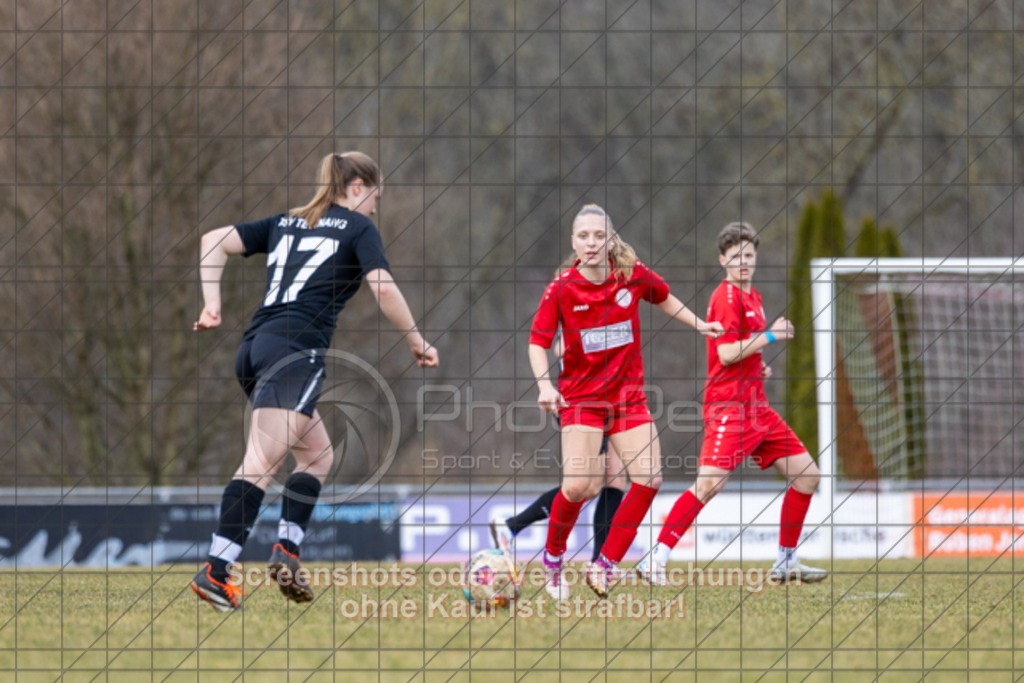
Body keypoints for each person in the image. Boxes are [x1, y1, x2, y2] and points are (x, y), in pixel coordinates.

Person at [190, 152, 439, 612]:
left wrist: (212, 304)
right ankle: (215, 572)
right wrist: (417, 341)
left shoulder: (287, 222)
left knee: (317, 454)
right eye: (376, 197)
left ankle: (286, 552)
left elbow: (212, 241)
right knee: (261, 463)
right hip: (294, 354)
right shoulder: (358, 227)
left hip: (255, 350)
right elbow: (383, 287)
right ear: (359, 186)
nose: (376, 209)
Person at [529, 204, 723, 600]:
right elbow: (537, 341)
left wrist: (701, 325)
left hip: (628, 397)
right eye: (584, 236)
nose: (591, 243)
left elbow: (665, 297)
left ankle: (604, 565)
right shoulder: (562, 287)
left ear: (610, 240)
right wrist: (545, 386)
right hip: (582, 399)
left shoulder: (631, 275)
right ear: (573, 242)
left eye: (599, 236)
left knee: (649, 479)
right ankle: (553, 560)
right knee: (578, 487)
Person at [637, 221, 827, 586]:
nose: (744, 262)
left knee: (807, 476)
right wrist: (769, 335)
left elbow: (740, 349)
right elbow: (724, 353)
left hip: (757, 408)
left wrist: (760, 366)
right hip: (729, 407)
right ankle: (654, 557)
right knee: (709, 484)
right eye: (737, 256)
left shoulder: (752, 296)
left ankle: (786, 561)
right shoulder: (726, 297)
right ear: (723, 260)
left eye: (750, 255)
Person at [491, 335, 627, 563]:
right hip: (586, 398)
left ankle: (600, 564)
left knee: (616, 479)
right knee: (588, 486)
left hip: (611, 393)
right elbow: (560, 347)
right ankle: (512, 526)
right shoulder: (584, 302)